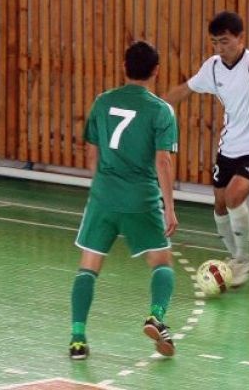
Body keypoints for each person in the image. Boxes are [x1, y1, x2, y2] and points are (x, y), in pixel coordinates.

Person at [164, 11, 249, 287]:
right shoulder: (213, 67)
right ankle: (233, 257)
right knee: (219, 205)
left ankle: (242, 259)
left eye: (225, 41)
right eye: (215, 42)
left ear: (241, 38)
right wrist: (155, 106)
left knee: (233, 196)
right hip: (229, 146)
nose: (220, 48)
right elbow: (184, 90)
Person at [69, 41, 179, 360]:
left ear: (123, 67)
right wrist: (169, 207)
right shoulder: (161, 110)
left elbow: (92, 153)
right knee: (162, 263)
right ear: (156, 71)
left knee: (88, 268)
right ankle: (156, 316)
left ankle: (77, 338)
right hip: (141, 198)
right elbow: (163, 161)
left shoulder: (103, 102)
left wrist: (102, 188)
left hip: (103, 196)